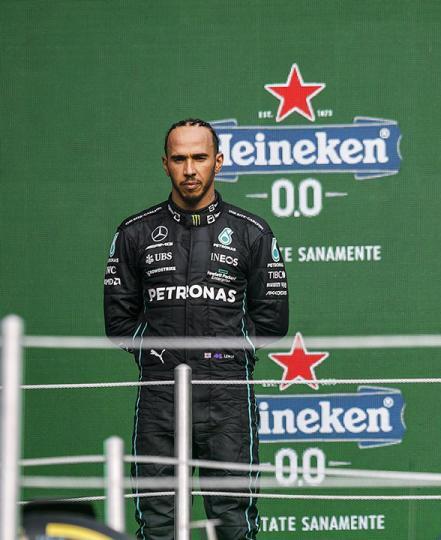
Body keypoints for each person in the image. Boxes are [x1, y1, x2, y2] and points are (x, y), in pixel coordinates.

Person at [104, 119, 289, 539]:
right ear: (165, 164)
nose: (190, 169)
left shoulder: (252, 232)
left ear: (218, 162)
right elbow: (118, 322)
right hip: (159, 393)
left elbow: (273, 320)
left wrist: (225, 351)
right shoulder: (135, 232)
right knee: (158, 523)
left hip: (227, 394)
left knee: (233, 523)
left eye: (200, 158)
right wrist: (159, 355)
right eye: (180, 158)